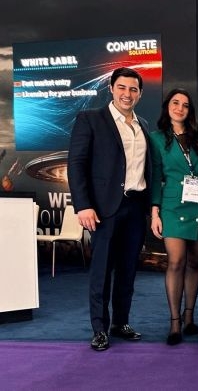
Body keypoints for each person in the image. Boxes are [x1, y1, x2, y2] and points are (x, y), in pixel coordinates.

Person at [67, 67, 151, 352]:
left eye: (133, 89)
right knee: (101, 271)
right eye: (122, 88)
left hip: (136, 207)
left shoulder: (143, 125)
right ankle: (100, 329)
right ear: (112, 89)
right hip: (104, 209)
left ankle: (121, 323)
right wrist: (83, 205)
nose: (127, 94)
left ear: (140, 94)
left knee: (128, 270)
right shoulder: (91, 119)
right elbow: (76, 164)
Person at [149, 88, 198, 345]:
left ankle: (189, 317)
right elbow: (154, 177)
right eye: (175, 103)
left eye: (185, 105)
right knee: (176, 262)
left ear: (190, 110)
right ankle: (174, 322)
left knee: (195, 262)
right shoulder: (156, 138)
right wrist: (154, 211)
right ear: (167, 106)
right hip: (172, 206)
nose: (180, 108)